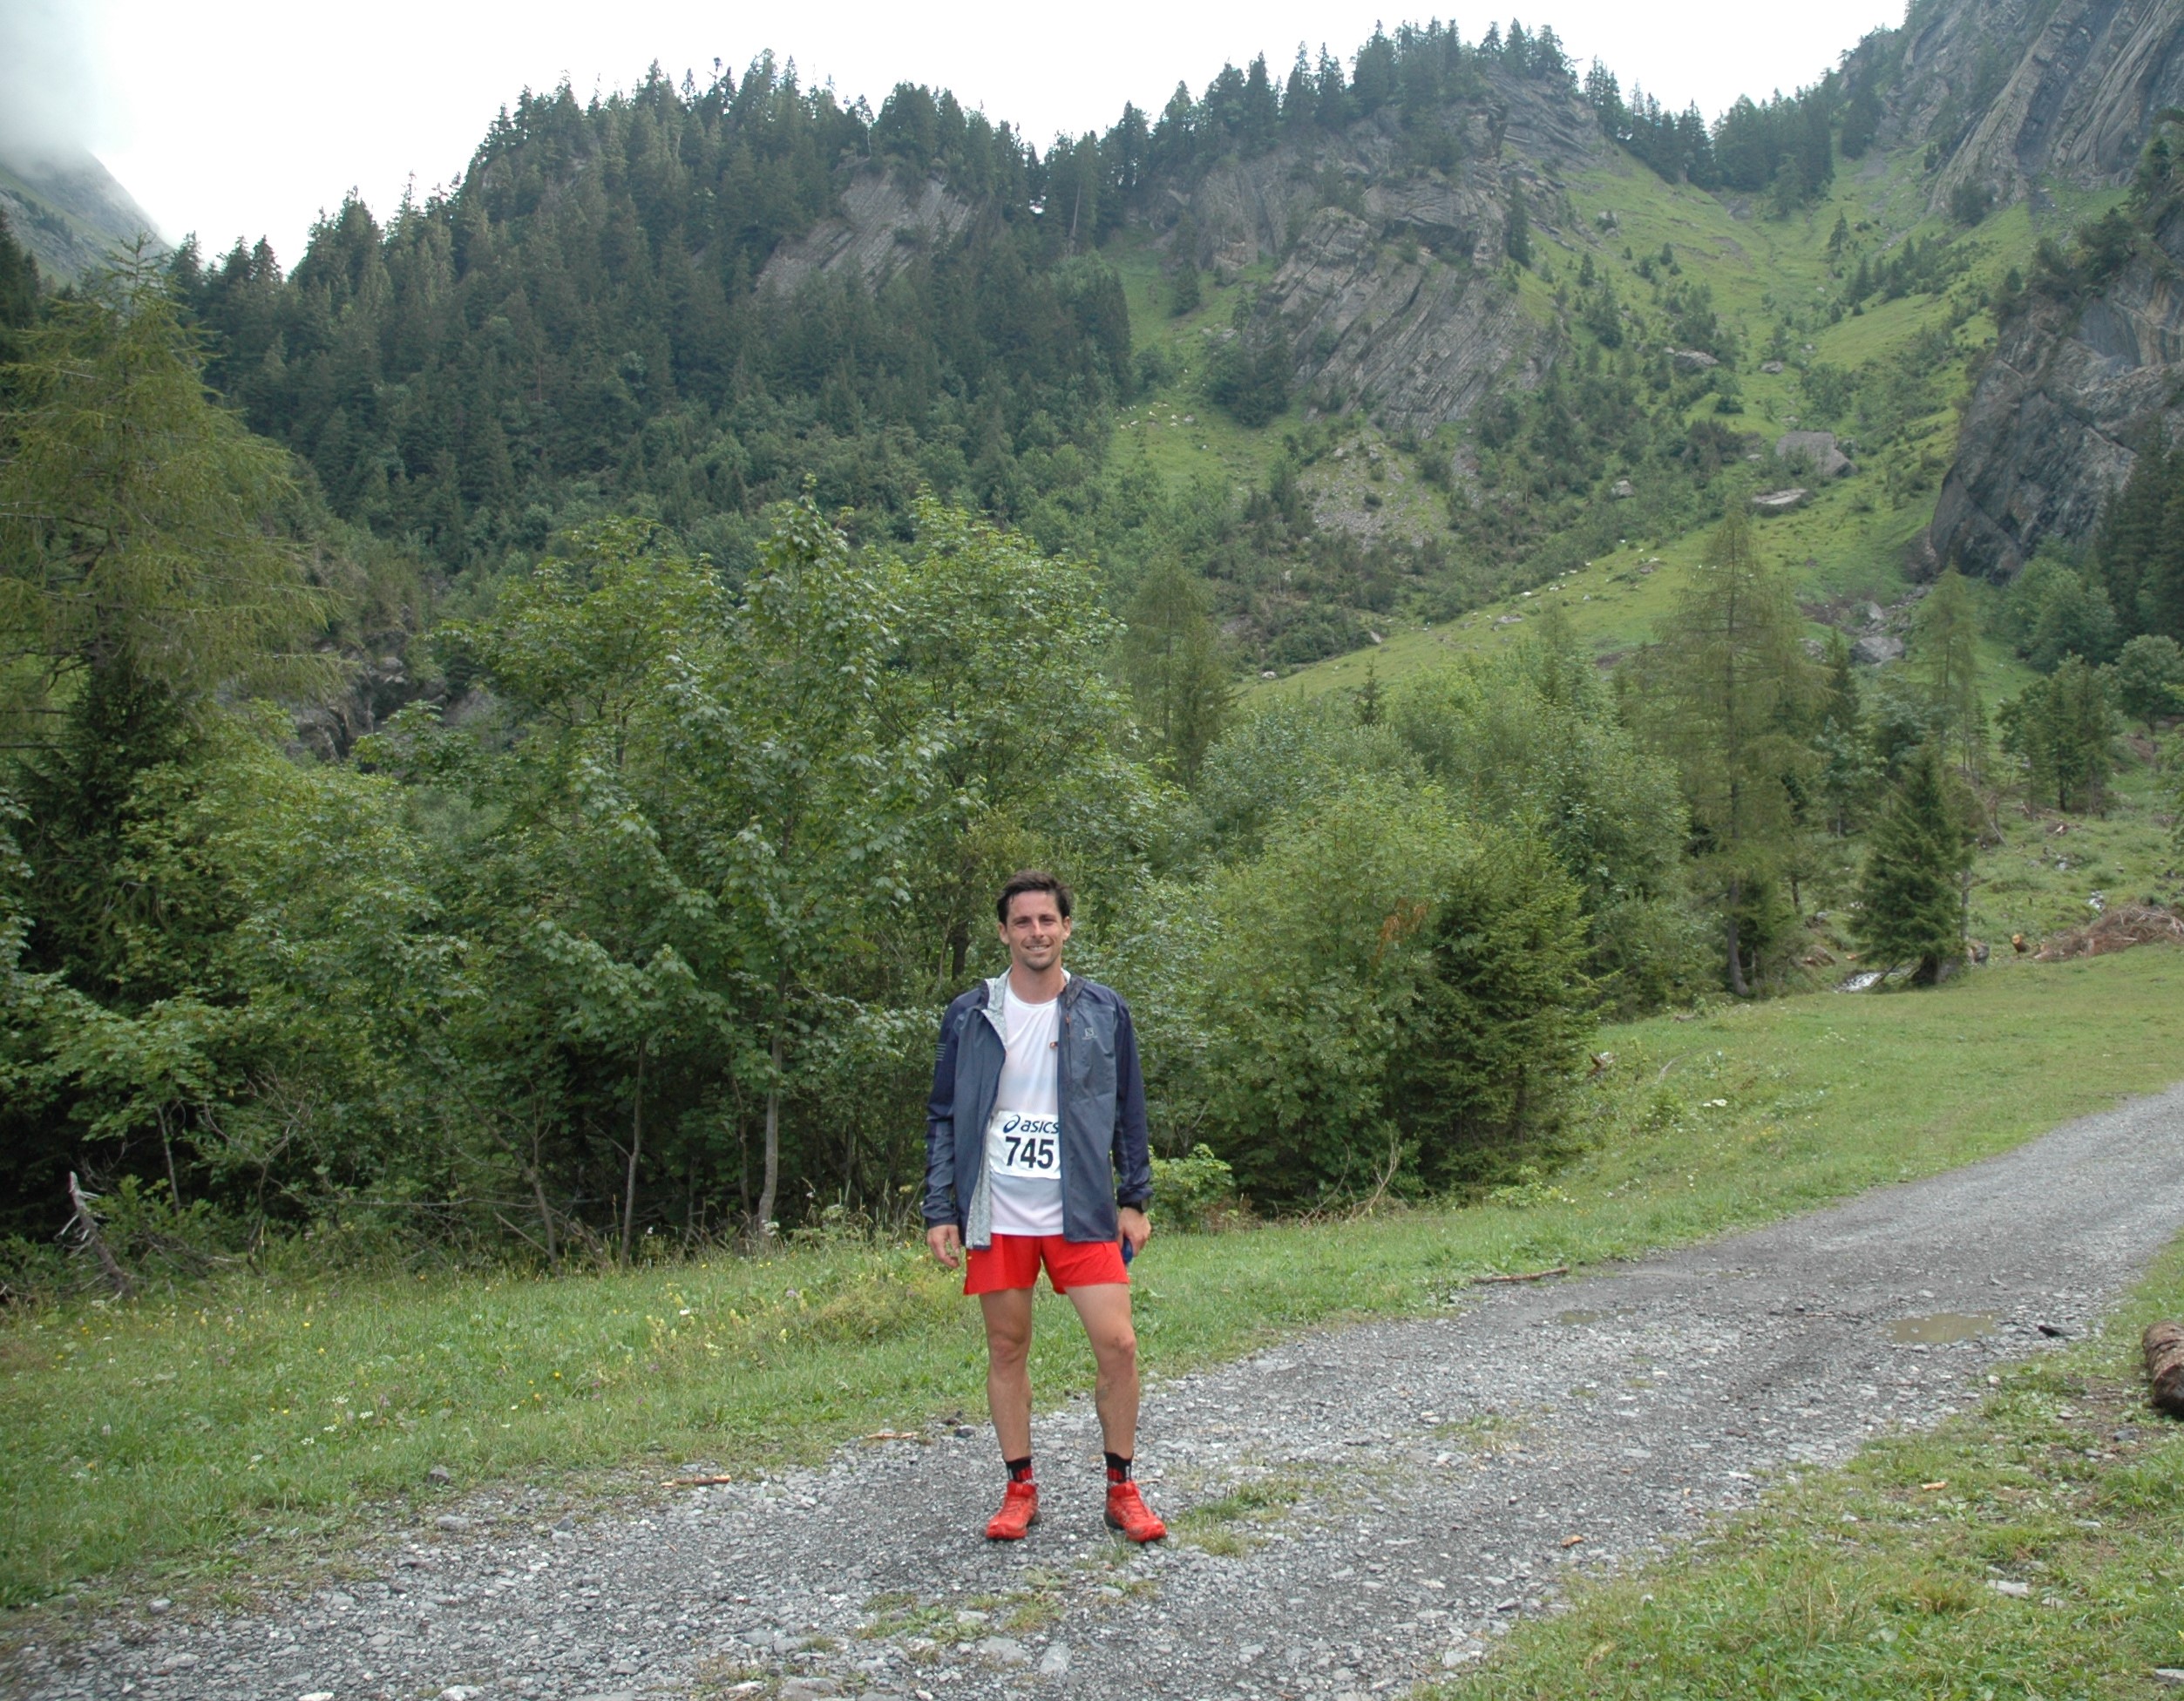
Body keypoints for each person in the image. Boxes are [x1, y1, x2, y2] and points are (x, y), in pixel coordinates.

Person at [924, 870, 1165, 1543]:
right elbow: (944, 1115)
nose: (1036, 932)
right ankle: (1019, 1489)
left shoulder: (1104, 1010)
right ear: (1003, 932)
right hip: (997, 1210)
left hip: (1081, 1208)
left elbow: (1129, 1109)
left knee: (1118, 1344)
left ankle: (1122, 1488)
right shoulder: (970, 1014)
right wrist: (940, 1208)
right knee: (1007, 1347)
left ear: (1067, 928)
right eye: (1023, 922)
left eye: (1047, 920)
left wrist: (1134, 1197)